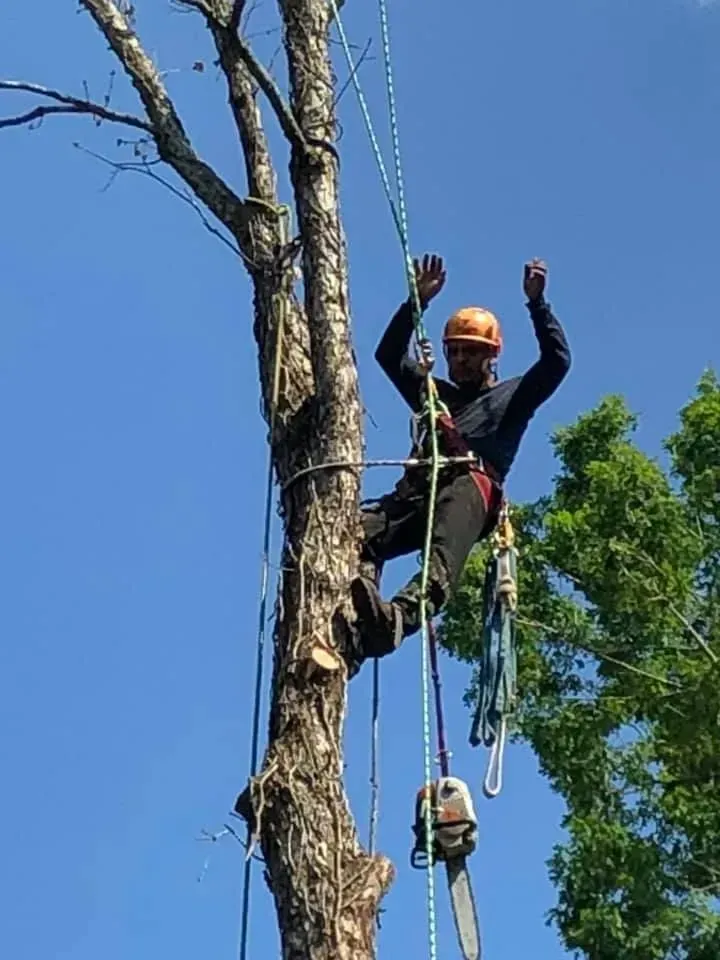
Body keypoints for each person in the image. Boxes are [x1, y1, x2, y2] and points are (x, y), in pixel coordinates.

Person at [350, 254, 571, 659]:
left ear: (492, 356)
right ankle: (352, 624)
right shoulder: (436, 396)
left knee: (441, 562)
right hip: (418, 494)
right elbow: (389, 356)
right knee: (350, 532)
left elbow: (556, 363)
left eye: (471, 352)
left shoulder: (512, 397)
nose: (461, 361)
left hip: (470, 488)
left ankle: (395, 620)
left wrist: (538, 305)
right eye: (455, 352)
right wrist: (416, 302)